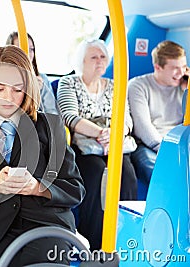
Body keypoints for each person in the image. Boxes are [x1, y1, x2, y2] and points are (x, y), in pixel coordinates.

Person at [0, 45, 85, 266]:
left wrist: (37, 188)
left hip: (46, 226)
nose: (8, 98)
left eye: (17, 90)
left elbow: (75, 189)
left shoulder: (51, 127)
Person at [57, 39, 137, 250]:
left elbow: (126, 119)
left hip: (114, 142)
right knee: (95, 174)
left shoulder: (113, 85)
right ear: (82, 61)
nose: (99, 61)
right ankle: (92, 242)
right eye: (94, 57)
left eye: (102, 57)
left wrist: (114, 134)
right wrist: (101, 133)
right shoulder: (69, 83)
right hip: (84, 145)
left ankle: (126, 237)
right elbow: (69, 117)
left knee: (126, 176)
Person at [128, 40, 188, 185]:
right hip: (149, 144)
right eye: (175, 68)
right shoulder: (138, 85)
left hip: (179, 141)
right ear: (158, 67)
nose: (181, 73)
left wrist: (189, 90)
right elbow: (143, 126)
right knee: (158, 171)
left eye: (184, 67)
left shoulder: (184, 85)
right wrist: (168, 150)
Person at [6, 31, 59, 114]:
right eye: (21, 48)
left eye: (31, 49)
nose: (27, 53)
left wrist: (37, 94)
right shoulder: (1, 81)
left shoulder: (42, 79)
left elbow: (52, 115)